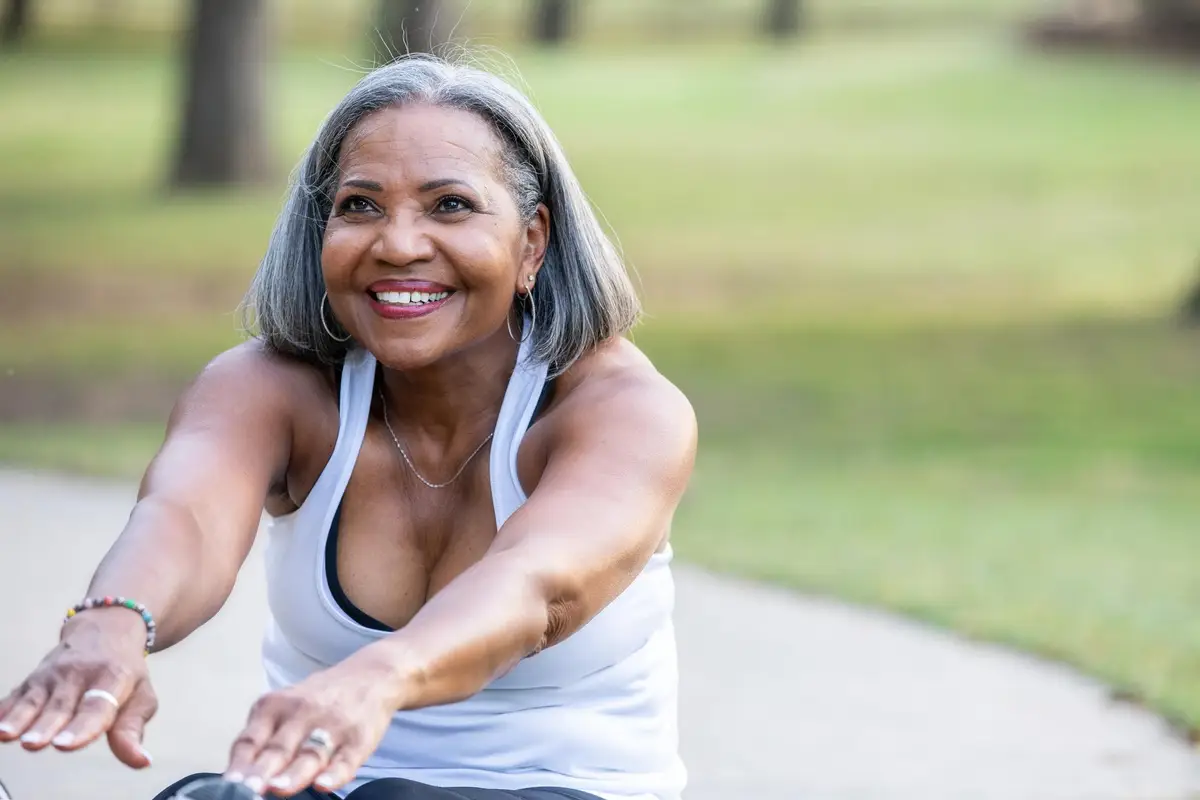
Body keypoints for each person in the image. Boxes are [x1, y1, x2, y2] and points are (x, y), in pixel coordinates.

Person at [0, 54, 696, 800]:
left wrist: (375, 679)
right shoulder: (270, 388)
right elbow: (184, 518)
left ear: (532, 242)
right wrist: (110, 625)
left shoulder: (621, 409)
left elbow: (535, 591)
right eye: (360, 206)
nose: (397, 244)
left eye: (450, 205)